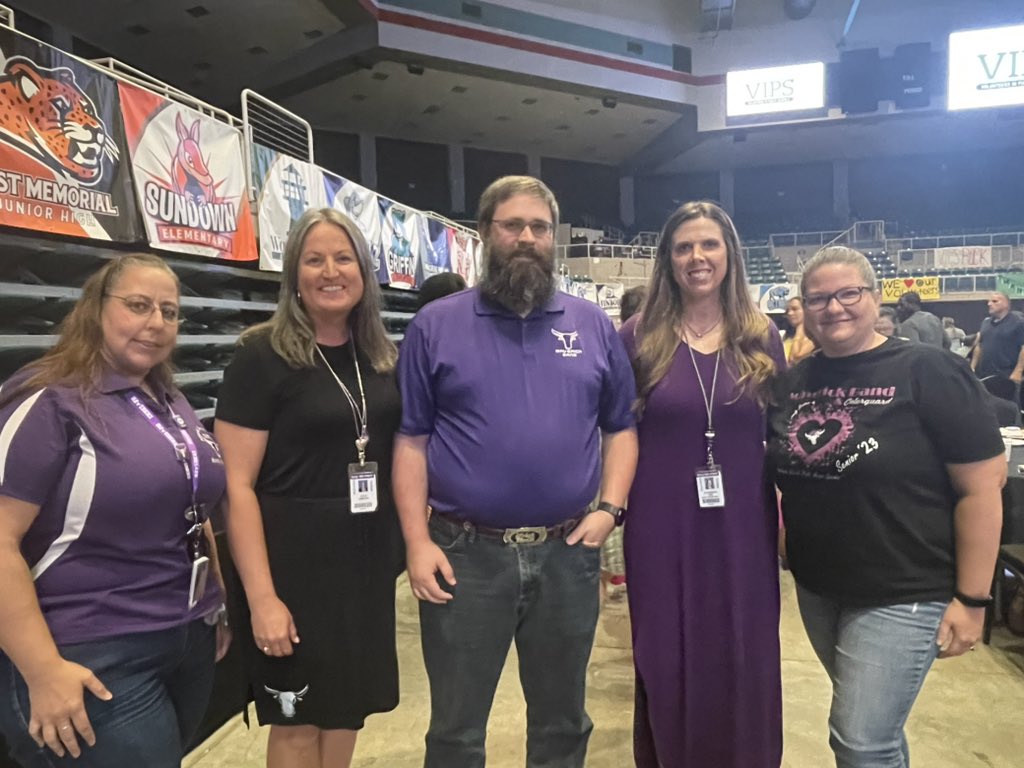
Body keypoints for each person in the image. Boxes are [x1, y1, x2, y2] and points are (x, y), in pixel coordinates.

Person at [394, 175, 638, 768]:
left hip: (566, 550)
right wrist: (416, 541)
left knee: (562, 722)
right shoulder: (436, 325)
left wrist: (609, 511)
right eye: (512, 225)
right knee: (456, 728)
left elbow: (622, 428)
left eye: (540, 227)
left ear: (553, 238)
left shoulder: (592, 324)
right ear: (484, 234)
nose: (526, 238)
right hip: (464, 553)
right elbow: (410, 440)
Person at [768, 246, 1004, 768]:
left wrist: (972, 598)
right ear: (803, 308)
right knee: (877, 732)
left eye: (848, 293)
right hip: (821, 587)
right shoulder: (794, 382)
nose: (834, 308)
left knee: (859, 739)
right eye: (818, 299)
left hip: (905, 587)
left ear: (876, 299)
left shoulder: (929, 370)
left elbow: (981, 489)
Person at [0, 253, 230, 768]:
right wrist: (42, 671)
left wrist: (214, 600)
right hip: (90, 649)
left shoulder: (167, 399)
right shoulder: (50, 400)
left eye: (169, 312)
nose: (156, 323)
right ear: (96, 309)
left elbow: (195, 504)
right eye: (138, 305)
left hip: (183, 635)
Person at [215, 209, 403, 768]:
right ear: (293, 274)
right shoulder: (261, 355)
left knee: (346, 711)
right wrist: (262, 598)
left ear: (364, 272)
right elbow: (236, 486)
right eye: (314, 259)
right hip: (290, 566)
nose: (330, 271)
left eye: (343, 258)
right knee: (297, 721)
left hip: (362, 565)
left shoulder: (380, 356)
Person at [620, 200, 785, 768]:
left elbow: (784, 437)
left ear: (730, 254)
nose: (697, 257)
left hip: (743, 525)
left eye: (709, 244)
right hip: (661, 526)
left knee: (744, 652)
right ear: (667, 259)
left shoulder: (761, 338)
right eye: (684, 246)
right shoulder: (637, 338)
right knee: (668, 654)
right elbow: (615, 438)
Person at [972, 291, 1024, 382]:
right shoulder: (986, 322)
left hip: (1008, 375)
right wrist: (972, 366)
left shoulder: (1018, 322)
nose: (989, 304)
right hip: (985, 375)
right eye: (989, 301)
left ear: (1006, 304)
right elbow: (979, 346)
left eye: (994, 301)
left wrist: (1018, 371)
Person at [784, 295, 817, 363]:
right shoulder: (785, 336)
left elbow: (795, 358)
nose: (790, 313)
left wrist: (799, 329)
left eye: (795, 309)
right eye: (788, 311)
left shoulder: (815, 336)